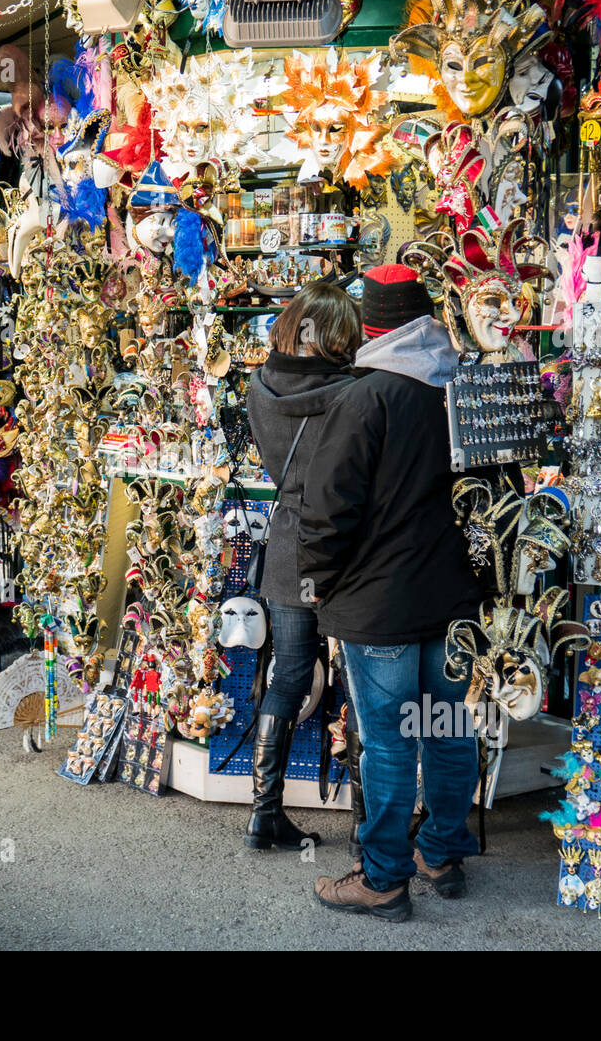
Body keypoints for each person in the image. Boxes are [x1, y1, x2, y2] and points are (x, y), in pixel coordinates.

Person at [297, 265, 485, 922]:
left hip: (381, 606)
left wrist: (315, 579)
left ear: (372, 327)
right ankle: (441, 852)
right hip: (453, 597)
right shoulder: (462, 387)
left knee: (388, 739)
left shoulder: (364, 398)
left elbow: (328, 510)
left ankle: (382, 876)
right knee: (447, 726)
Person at [243, 280, 361, 851]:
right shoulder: (352, 393)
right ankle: (370, 826)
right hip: (345, 549)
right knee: (361, 679)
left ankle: (263, 814)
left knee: (287, 678)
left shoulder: (259, 387)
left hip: (289, 546)